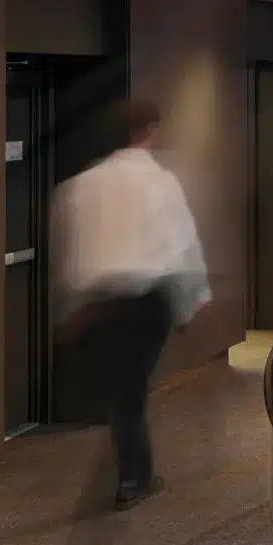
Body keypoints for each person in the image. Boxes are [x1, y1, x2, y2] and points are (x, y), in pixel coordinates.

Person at [53, 101, 210, 510]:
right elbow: (183, 244)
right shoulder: (160, 183)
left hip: (102, 304)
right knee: (129, 391)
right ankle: (133, 478)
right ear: (148, 130)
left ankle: (131, 469)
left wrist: (72, 308)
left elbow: (75, 252)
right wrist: (192, 302)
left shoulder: (83, 185)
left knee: (125, 389)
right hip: (148, 302)